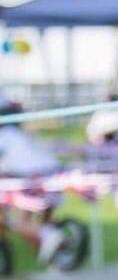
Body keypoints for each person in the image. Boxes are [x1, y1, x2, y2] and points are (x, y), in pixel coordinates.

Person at [0, 97, 66, 263]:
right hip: (53, 174)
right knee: (37, 214)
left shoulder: (5, 137)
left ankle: (48, 236)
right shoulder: (21, 134)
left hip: (33, 178)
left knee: (16, 222)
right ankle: (49, 238)